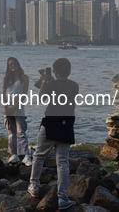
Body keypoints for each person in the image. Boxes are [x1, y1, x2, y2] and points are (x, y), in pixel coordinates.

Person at [28, 58, 79, 210]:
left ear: (55, 71)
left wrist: (44, 81)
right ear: (69, 71)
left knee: (39, 155)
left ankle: (34, 187)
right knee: (63, 162)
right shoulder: (74, 85)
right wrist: (48, 81)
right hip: (67, 125)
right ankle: (63, 198)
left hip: (50, 123)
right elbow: (60, 88)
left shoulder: (51, 84)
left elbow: (42, 97)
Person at [2, 57, 33, 166]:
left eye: (14, 64)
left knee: (21, 132)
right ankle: (13, 154)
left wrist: (15, 106)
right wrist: (5, 106)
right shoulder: (6, 78)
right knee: (11, 132)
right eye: (10, 65)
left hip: (19, 108)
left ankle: (26, 156)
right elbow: (3, 93)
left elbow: (24, 94)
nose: (13, 66)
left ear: (18, 65)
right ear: (8, 67)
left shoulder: (24, 78)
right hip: (8, 108)